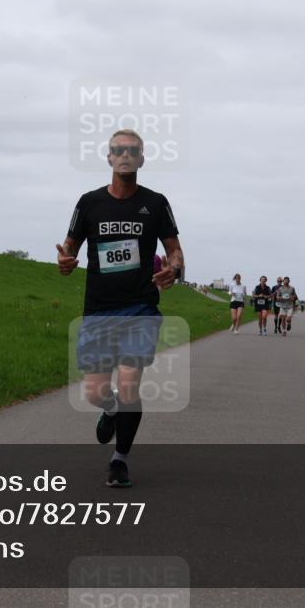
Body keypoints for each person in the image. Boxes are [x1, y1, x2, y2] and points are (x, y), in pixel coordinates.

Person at [57, 129, 183, 488]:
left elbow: (175, 250)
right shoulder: (89, 203)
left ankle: (119, 460)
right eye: (118, 150)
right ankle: (110, 411)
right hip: (99, 310)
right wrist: (65, 260)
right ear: (109, 157)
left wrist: (174, 269)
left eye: (132, 150)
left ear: (141, 159)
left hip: (140, 308)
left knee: (128, 385)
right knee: (95, 392)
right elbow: (70, 246)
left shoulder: (155, 203)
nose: (125, 155)